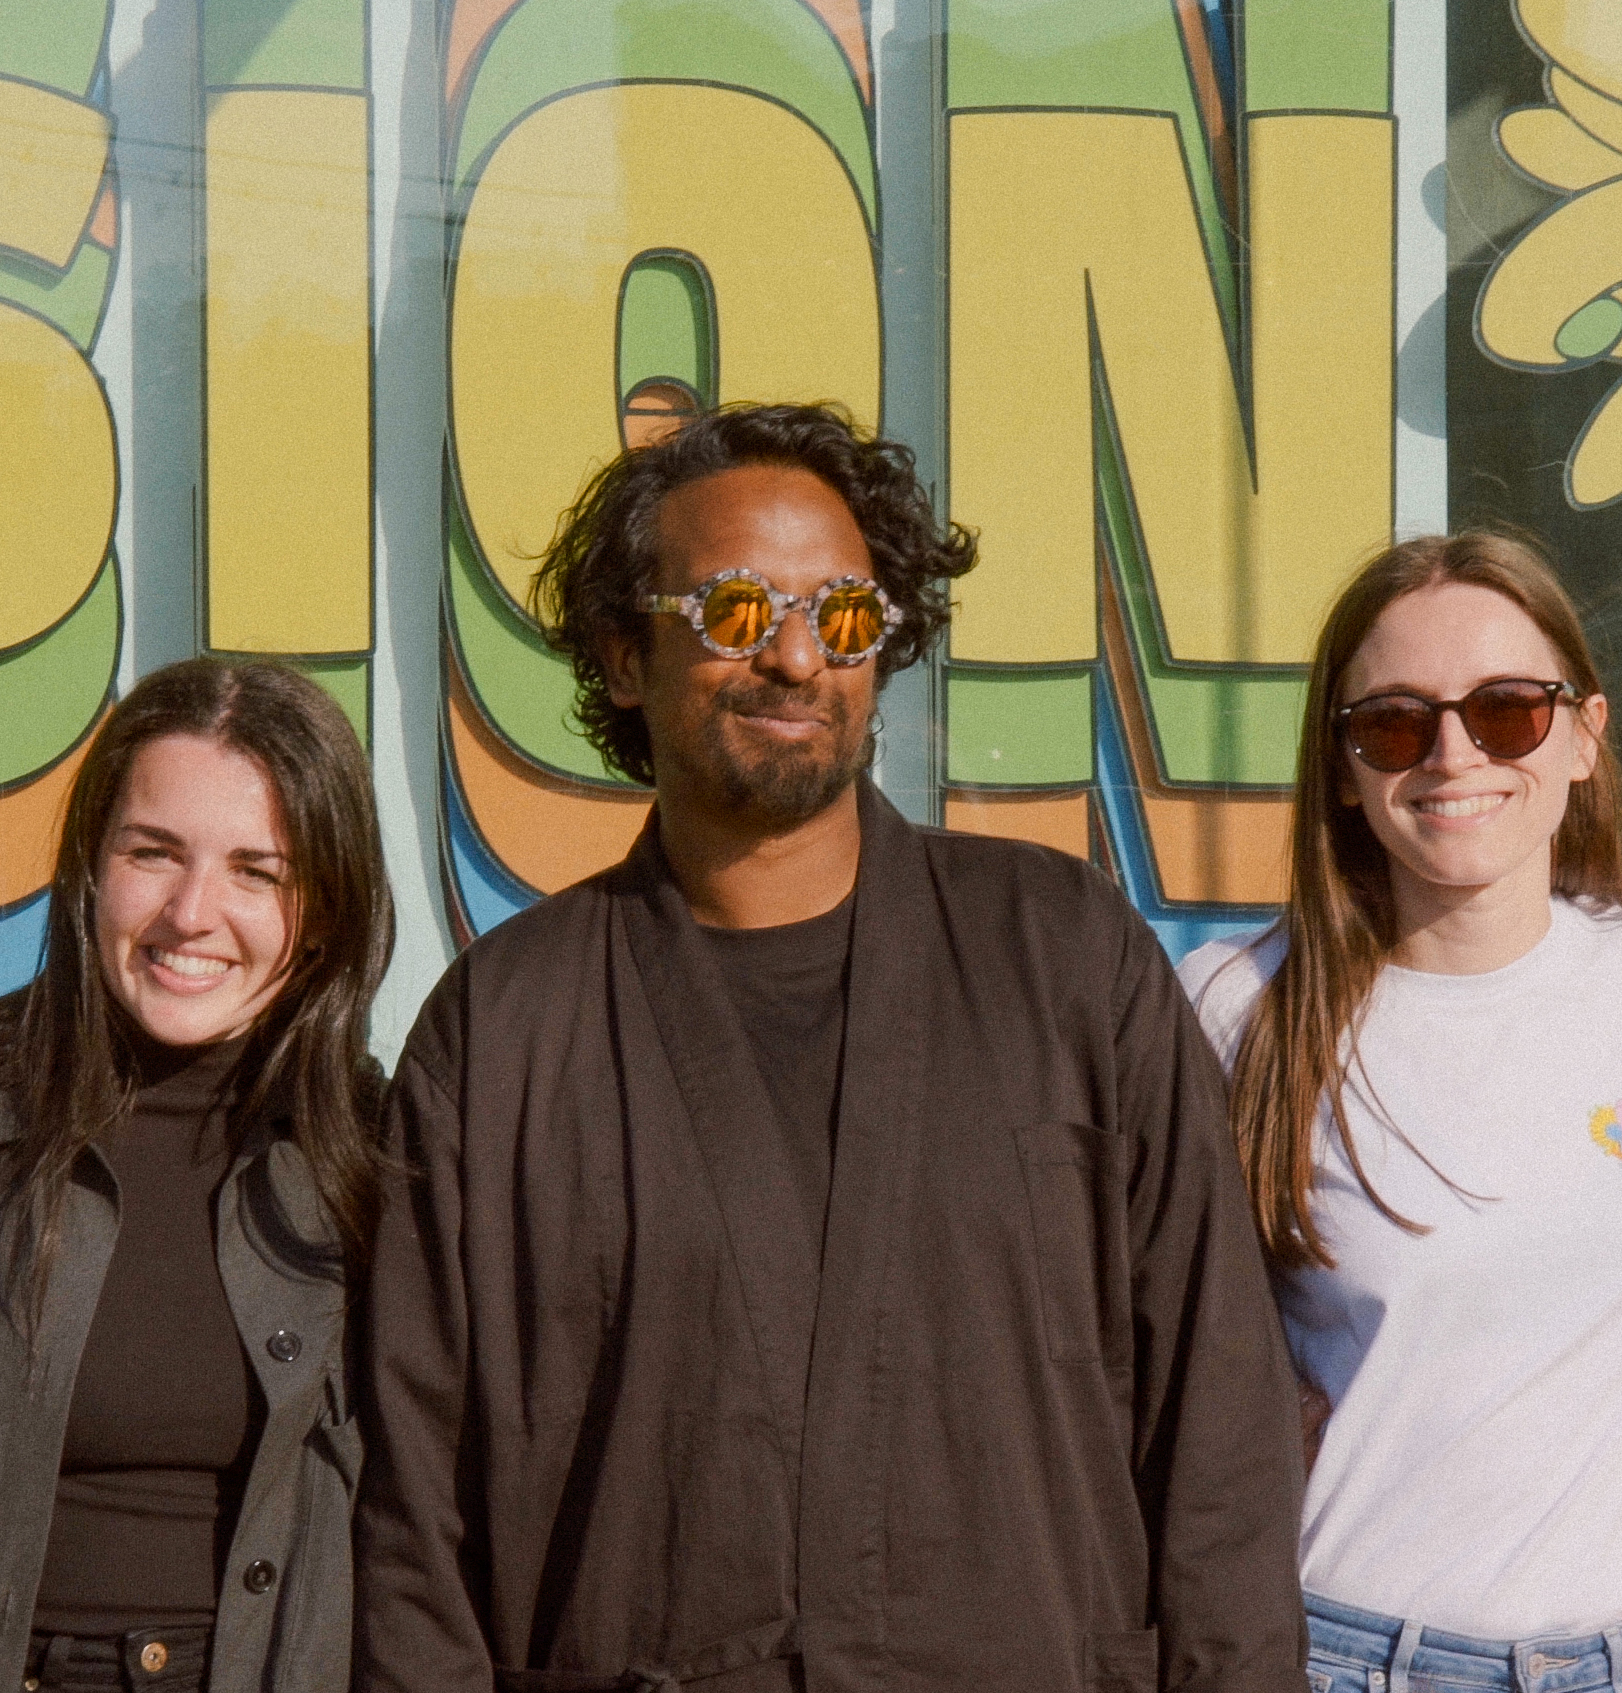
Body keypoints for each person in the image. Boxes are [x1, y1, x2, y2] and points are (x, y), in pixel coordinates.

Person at [352, 401, 1308, 1692]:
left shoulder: (1062, 956)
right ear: (625, 657)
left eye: (845, 616)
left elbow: (1220, 1422)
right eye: (736, 611)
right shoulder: (504, 1028)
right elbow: (414, 1514)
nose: (799, 656)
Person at [1180, 531, 1622, 1693]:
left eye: (1505, 711)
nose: (1452, 753)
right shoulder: (1238, 1005)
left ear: (1582, 735)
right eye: (1393, 723)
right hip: (1364, 1659)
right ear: (1341, 765)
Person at [0, 658, 392, 1693]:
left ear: (325, 910)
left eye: (257, 871)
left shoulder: (370, 1153)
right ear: (91, 866)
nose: (192, 912)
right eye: (153, 852)